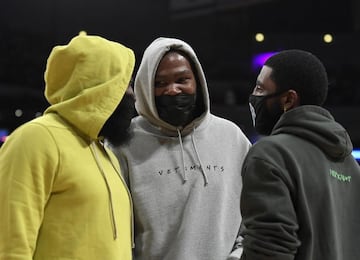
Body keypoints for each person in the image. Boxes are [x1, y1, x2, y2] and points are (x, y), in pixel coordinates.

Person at [111, 37, 252, 260]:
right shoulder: (124, 141)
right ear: (145, 87)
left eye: (182, 79)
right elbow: (114, 227)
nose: (173, 90)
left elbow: (255, 214)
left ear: (197, 81)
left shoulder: (232, 137)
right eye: (160, 83)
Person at [0, 33, 136, 259]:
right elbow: (10, 244)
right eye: (125, 83)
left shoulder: (106, 152)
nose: (131, 93)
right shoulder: (37, 138)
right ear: (101, 86)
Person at [240, 49, 360, 259]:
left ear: (288, 100)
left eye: (260, 88)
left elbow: (269, 250)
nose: (253, 95)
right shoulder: (350, 162)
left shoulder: (270, 155)